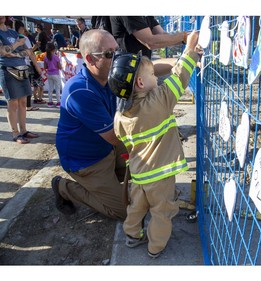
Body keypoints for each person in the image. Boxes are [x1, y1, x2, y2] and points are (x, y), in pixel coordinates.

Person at [109, 30, 202, 258]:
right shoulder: (158, 101)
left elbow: (121, 138)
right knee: (162, 211)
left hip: (139, 175)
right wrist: (190, 50)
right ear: (141, 82)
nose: (156, 78)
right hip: (160, 177)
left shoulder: (120, 116)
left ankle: (132, 235)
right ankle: (155, 246)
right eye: (152, 74)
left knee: (137, 207)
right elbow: (179, 77)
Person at [53, 29, 128, 220]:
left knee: (144, 176)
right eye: (110, 54)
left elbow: (148, 68)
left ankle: (107, 182)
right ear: (91, 59)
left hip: (106, 146)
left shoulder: (109, 76)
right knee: (124, 211)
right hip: (87, 160)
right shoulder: (80, 90)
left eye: (117, 51)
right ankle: (64, 187)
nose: (117, 58)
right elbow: (113, 136)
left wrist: (184, 63)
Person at [0, 16, 39, 144]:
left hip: (21, 68)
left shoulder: (12, 32)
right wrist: (17, 44)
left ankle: (23, 130)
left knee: (23, 102)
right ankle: (15, 133)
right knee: (13, 103)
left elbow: (26, 51)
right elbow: (3, 52)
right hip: (7, 69)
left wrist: (13, 52)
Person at [13, 19, 42, 111]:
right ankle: (28, 105)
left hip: (12, 65)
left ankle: (18, 105)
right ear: (21, 28)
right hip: (24, 64)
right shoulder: (23, 38)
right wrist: (37, 66)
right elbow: (30, 53)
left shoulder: (10, 37)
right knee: (27, 86)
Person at [44, 42, 62, 107]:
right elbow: (59, 66)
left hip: (49, 74)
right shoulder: (56, 57)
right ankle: (58, 102)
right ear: (53, 49)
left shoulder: (45, 57)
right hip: (56, 74)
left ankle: (50, 101)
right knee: (57, 88)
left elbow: (45, 67)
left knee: (50, 88)